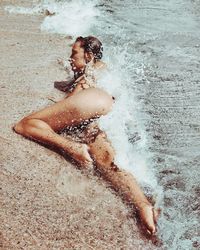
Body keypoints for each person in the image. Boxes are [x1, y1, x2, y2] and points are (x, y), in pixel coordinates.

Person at [13, 36, 159, 235]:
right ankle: (143, 205)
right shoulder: (104, 69)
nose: (70, 59)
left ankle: (74, 148)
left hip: (92, 100)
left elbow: (79, 90)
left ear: (89, 56)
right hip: (111, 105)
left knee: (25, 125)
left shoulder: (84, 82)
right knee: (108, 162)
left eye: (74, 54)